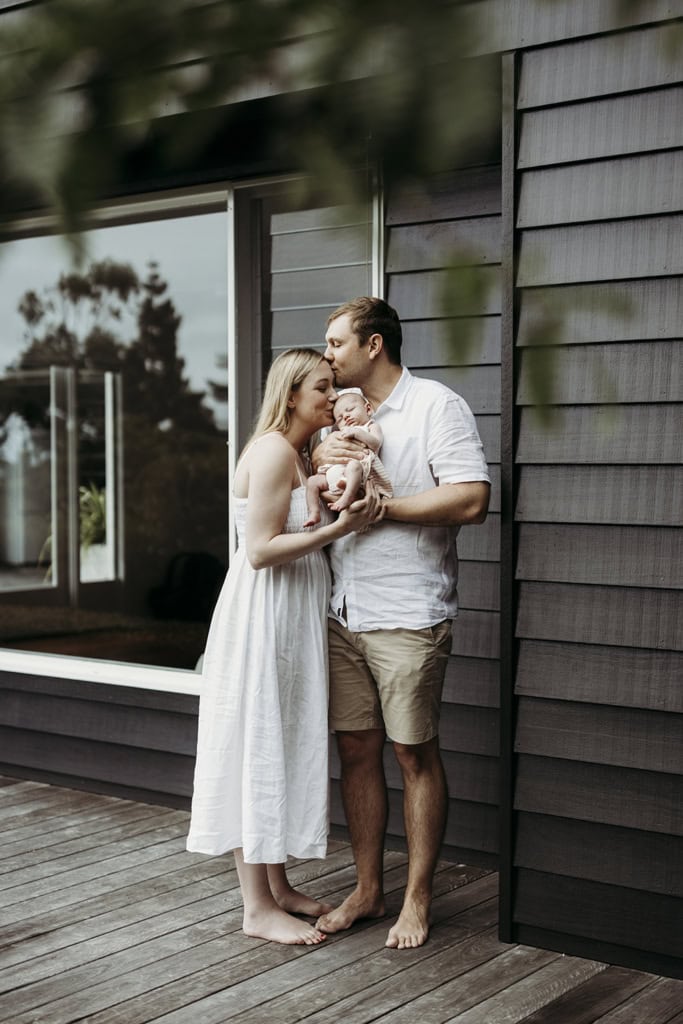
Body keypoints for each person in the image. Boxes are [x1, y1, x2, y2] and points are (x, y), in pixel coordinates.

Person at [186, 347, 381, 946]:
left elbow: (289, 524)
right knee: (257, 744)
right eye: (322, 387)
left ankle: (278, 887)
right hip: (263, 616)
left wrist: (323, 485)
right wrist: (336, 529)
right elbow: (260, 550)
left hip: (291, 615)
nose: (333, 396)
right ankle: (255, 908)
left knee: (279, 739)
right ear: (291, 394)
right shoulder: (272, 451)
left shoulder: (295, 455)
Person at [312, 297, 490, 950]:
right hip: (343, 612)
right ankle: (367, 889)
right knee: (355, 751)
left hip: (408, 613)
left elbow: (471, 499)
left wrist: (382, 508)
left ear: (374, 345)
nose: (326, 354)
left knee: (414, 753)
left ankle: (417, 898)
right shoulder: (335, 414)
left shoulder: (435, 407)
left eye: (335, 343)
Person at [304, 389, 393, 527]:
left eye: (350, 410)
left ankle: (347, 496)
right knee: (312, 482)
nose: (345, 416)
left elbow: (375, 443)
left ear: (368, 409)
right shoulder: (339, 432)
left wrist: (357, 433)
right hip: (335, 472)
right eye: (340, 418)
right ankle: (314, 512)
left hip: (356, 471)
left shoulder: (370, 426)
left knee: (354, 466)